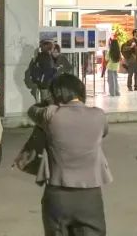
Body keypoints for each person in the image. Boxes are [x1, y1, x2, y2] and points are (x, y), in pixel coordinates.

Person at [28, 74, 111, 236]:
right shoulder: (99, 116)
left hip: (58, 195)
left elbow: (32, 110)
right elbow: (104, 133)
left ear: (56, 94)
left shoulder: (50, 115)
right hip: (90, 197)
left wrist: (48, 102)